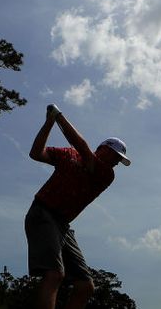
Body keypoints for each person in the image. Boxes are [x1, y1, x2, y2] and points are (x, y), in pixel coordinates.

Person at [26, 104, 131, 309]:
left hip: (62, 225)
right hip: (43, 213)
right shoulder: (68, 154)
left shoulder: (106, 174)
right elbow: (36, 153)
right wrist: (49, 122)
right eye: (116, 157)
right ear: (103, 149)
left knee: (85, 286)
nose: (118, 163)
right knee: (55, 274)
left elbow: (83, 148)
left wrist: (58, 117)